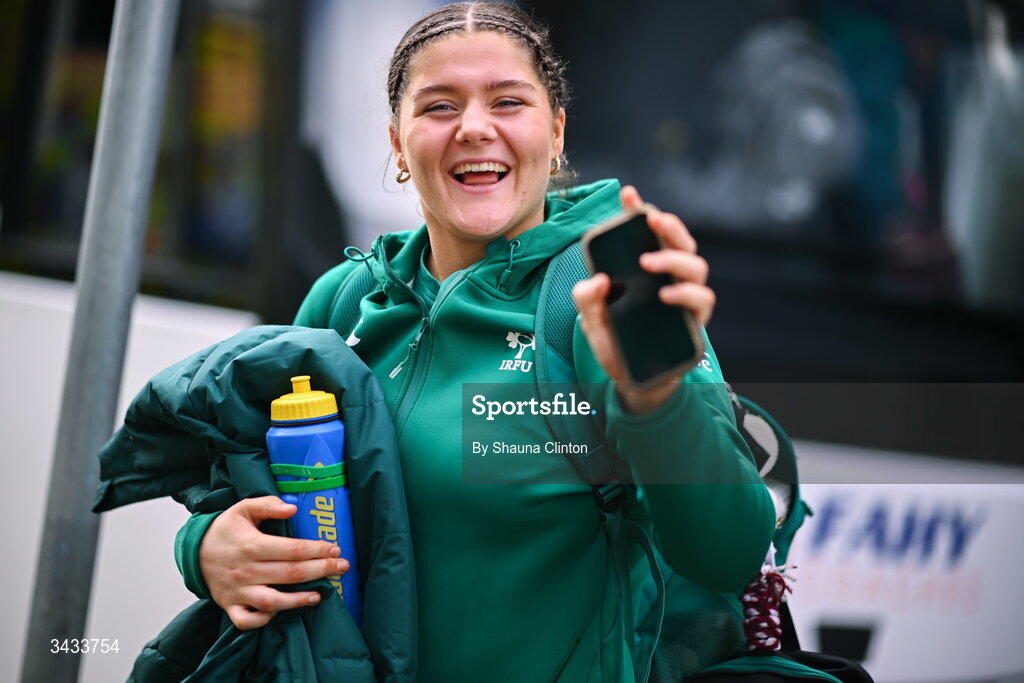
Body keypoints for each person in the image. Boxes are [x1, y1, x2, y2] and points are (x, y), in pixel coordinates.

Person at [175, 3, 775, 680]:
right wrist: (205, 548)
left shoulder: (603, 297)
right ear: (399, 146)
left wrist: (657, 397)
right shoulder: (341, 301)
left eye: (508, 101)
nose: (474, 127)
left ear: (555, 134)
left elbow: (729, 550)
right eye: (438, 106)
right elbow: (240, 493)